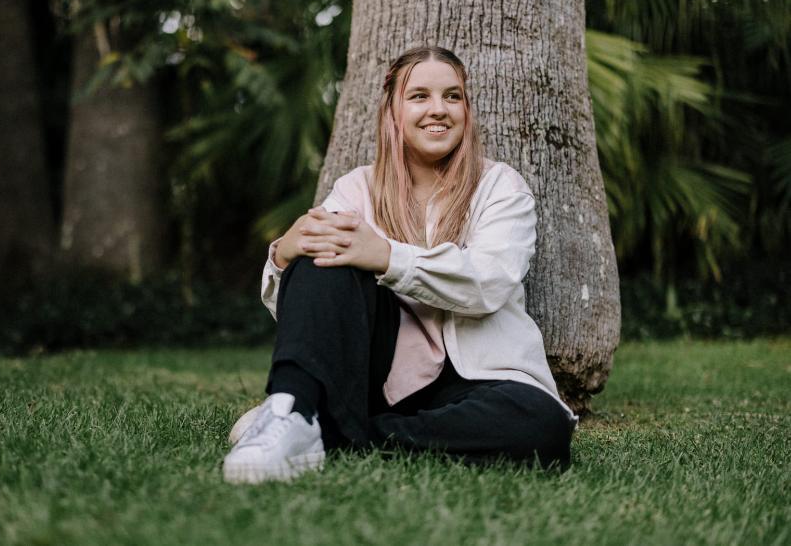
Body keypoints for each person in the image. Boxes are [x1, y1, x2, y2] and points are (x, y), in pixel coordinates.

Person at [222, 45, 578, 485]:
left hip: (480, 379)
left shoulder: (500, 186)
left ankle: (331, 435)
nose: (438, 109)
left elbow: (489, 282)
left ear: (467, 110)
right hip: (383, 379)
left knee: (541, 427)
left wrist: (389, 258)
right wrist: (283, 255)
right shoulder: (357, 188)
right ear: (392, 111)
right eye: (419, 96)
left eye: (453, 96)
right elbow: (316, 315)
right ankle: (290, 408)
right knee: (323, 255)